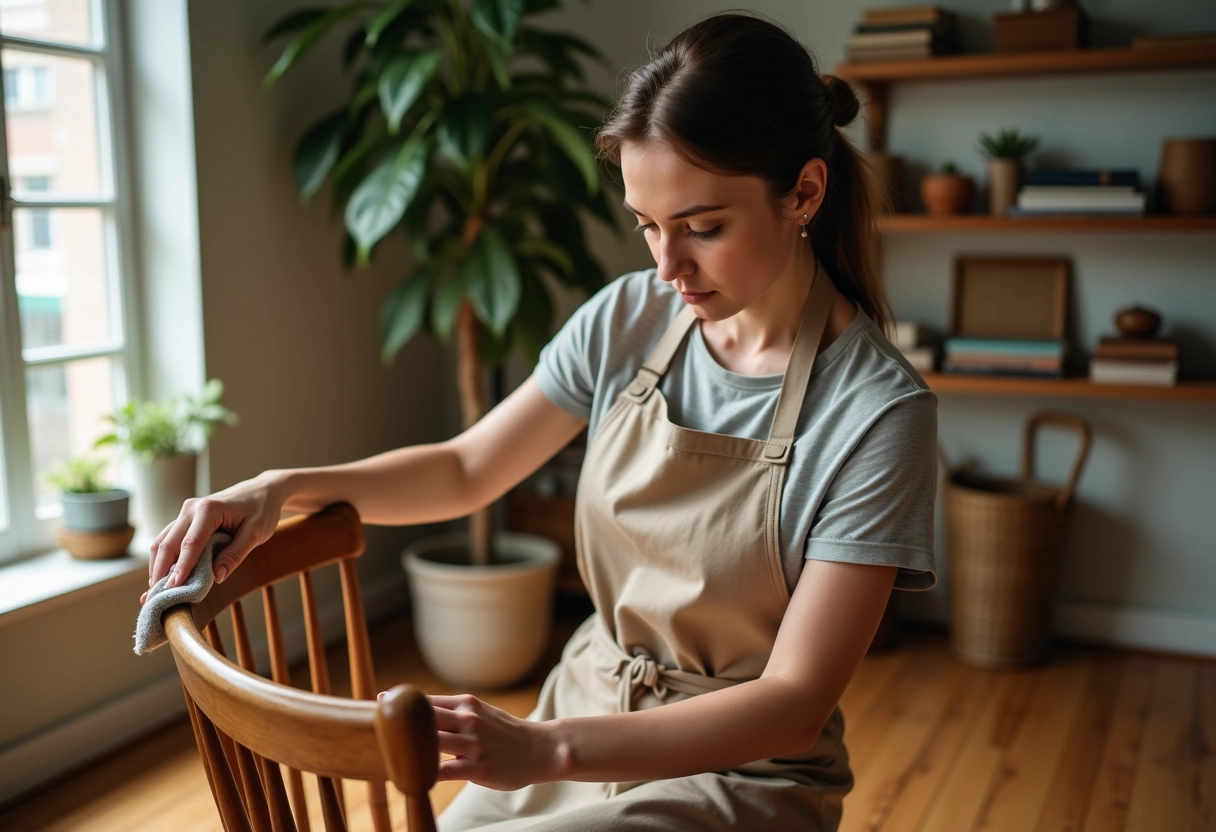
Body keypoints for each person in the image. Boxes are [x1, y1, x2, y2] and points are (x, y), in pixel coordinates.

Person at [144, 12, 938, 831]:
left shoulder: (878, 415)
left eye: (703, 228)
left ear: (804, 192)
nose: (667, 267)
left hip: (734, 769)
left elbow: (791, 704)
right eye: (648, 227)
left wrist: (549, 749)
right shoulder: (628, 318)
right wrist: (285, 488)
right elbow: (466, 469)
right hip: (584, 704)